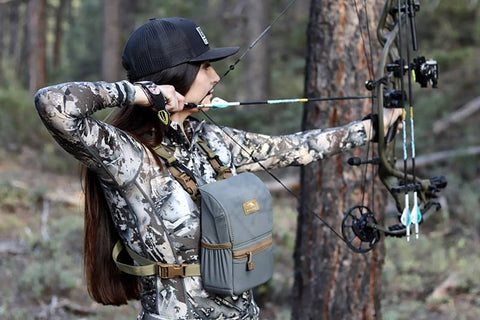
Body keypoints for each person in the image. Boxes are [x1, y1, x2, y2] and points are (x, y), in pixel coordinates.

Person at [35, 17, 400, 320]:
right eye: (205, 67)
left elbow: (296, 148)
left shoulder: (209, 139)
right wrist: (141, 93)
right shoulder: (127, 154)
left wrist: (372, 128)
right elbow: (52, 103)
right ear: (173, 76)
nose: (214, 78)